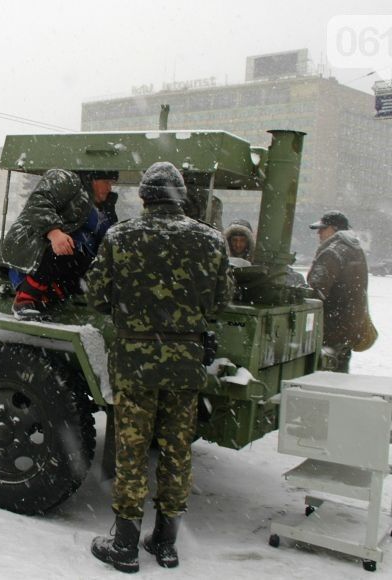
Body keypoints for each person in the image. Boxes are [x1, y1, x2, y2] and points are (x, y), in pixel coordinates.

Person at [85, 162, 234, 573]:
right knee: (176, 451)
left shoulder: (120, 237)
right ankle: (166, 544)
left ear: (145, 197)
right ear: (181, 197)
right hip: (185, 364)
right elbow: (221, 302)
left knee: (132, 452)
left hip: (135, 362)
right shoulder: (211, 240)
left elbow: (96, 296)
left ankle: (125, 545)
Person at [0, 169, 116, 320]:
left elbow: (108, 240)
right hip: (35, 252)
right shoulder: (67, 179)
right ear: (93, 179)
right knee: (67, 248)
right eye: (106, 182)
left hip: (67, 265)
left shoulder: (104, 211)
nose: (109, 188)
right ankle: (24, 301)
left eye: (112, 184)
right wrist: (54, 232)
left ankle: (45, 301)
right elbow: (38, 202)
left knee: (92, 272)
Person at [307, 210, 369, 372]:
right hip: (349, 327)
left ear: (335, 229)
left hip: (330, 328)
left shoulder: (332, 252)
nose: (319, 233)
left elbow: (315, 291)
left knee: (324, 379)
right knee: (339, 374)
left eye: (323, 228)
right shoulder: (355, 250)